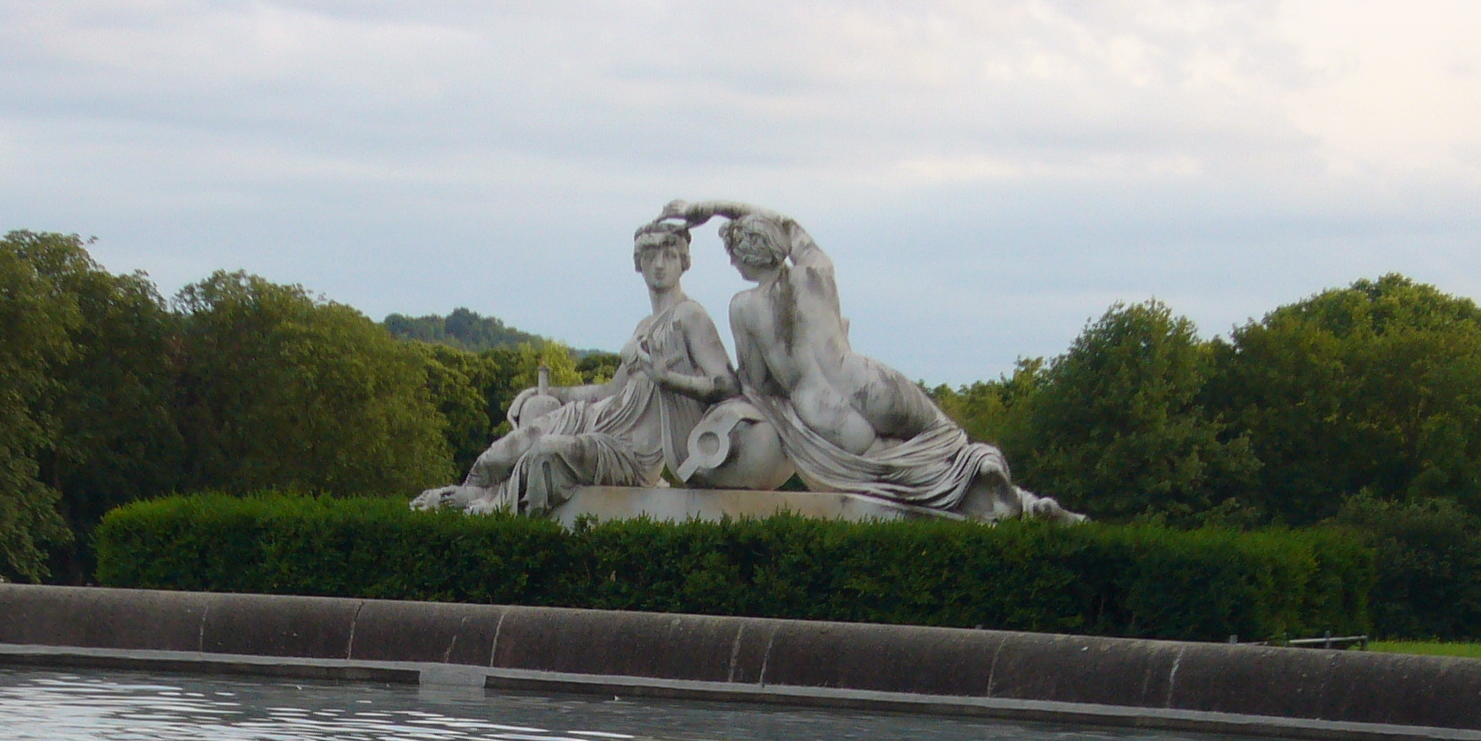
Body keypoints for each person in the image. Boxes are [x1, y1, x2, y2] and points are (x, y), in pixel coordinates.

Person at [658, 199, 1079, 522]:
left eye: (732, 256)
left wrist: (674, 379)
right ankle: (1024, 499)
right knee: (948, 442)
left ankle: (1001, 502)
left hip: (824, 412)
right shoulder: (814, 272)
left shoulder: (744, 307)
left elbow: (757, 384)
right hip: (869, 380)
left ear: (743, 258)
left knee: (910, 479)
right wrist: (714, 209)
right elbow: (788, 225)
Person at [413, 221, 739, 516]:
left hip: (631, 452)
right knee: (522, 436)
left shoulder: (690, 317)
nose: (659, 265)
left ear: (684, 262)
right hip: (601, 418)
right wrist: (546, 392)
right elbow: (611, 391)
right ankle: (469, 490)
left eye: (669, 255)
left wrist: (669, 379)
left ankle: (487, 510)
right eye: (650, 255)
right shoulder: (645, 324)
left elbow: (727, 384)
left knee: (547, 452)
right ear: (637, 264)